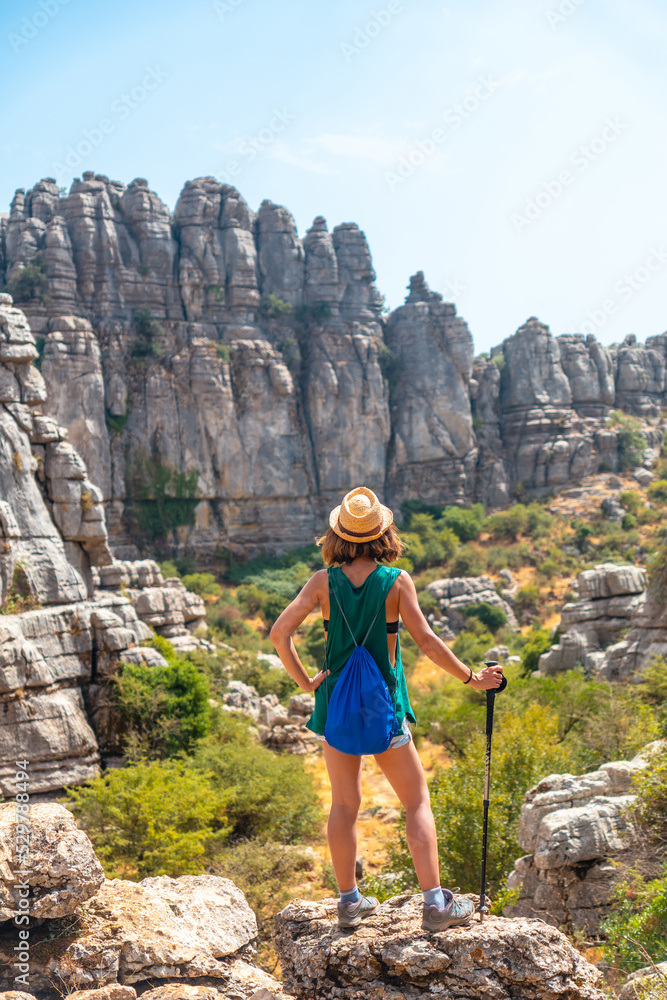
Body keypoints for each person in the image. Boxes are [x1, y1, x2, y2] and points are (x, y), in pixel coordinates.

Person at [270, 486, 504, 931]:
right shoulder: (396, 581)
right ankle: (435, 906)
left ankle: (349, 902)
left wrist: (307, 683)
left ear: (337, 535)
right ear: (384, 532)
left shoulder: (323, 582)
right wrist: (473, 679)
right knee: (416, 801)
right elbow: (429, 644)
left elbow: (280, 634)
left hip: (335, 705)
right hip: (385, 708)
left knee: (343, 804)